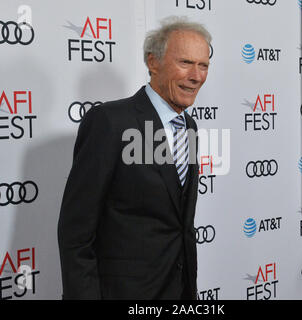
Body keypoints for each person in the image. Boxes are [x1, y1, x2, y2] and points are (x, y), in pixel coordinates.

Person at [57, 16, 211, 300]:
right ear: (153, 63)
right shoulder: (109, 122)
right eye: (186, 63)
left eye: (203, 65)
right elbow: (76, 232)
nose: (196, 76)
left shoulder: (189, 126)